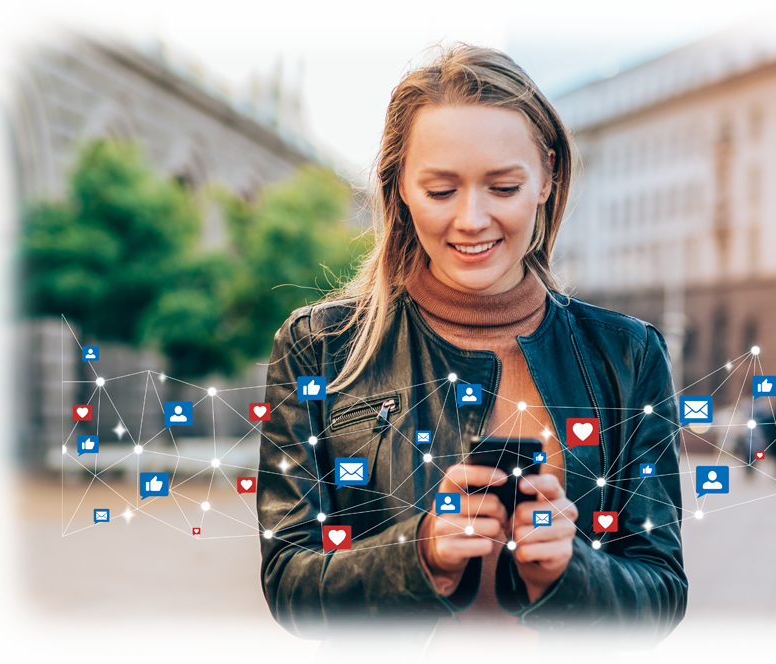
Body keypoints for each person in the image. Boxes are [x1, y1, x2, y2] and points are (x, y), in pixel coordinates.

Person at [256, 43, 687, 664]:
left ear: (548, 177)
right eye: (440, 190)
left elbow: (660, 594)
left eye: (503, 186)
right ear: (399, 185)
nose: (472, 219)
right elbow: (290, 584)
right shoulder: (319, 349)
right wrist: (420, 550)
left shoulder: (627, 354)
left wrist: (569, 572)